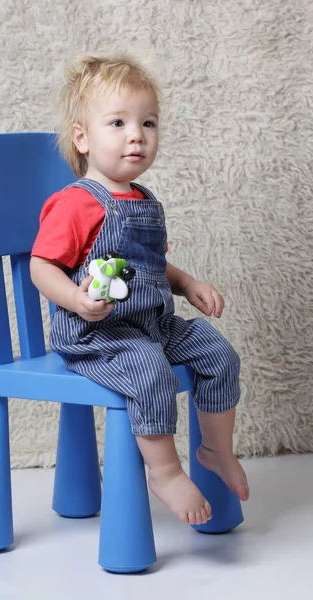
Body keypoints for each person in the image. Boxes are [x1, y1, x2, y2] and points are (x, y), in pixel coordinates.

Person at [30, 55, 249, 527]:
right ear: (82, 138)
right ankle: (165, 471)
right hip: (99, 333)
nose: (137, 135)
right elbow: (42, 267)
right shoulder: (76, 203)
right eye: (118, 123)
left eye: (148, 122)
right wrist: (76, 301)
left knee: (217, 351)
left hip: (151, 324)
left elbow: (151, 267)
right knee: (151, 371)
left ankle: (214, 449)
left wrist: (187, 284)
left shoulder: (145, 200)